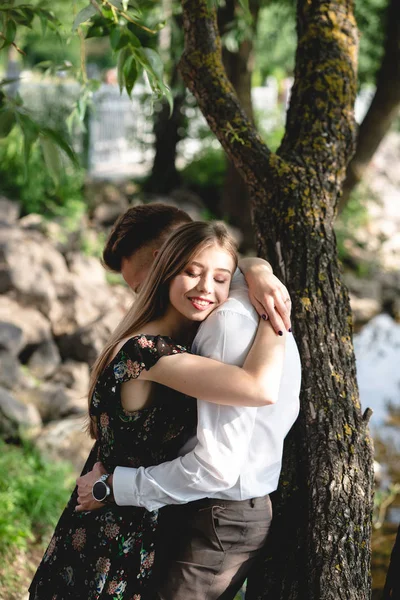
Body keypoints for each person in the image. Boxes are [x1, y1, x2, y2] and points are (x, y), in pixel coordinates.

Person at [29, 221, 287, 600]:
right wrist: (275, 314)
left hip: (132, 512)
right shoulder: (148, 351)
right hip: (114, 523)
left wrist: (258, 269)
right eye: (190, 273)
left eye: (220, 279)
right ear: (166, 270)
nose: (205, 289)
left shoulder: (173, 340)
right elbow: (260, 388)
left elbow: (229, 260)